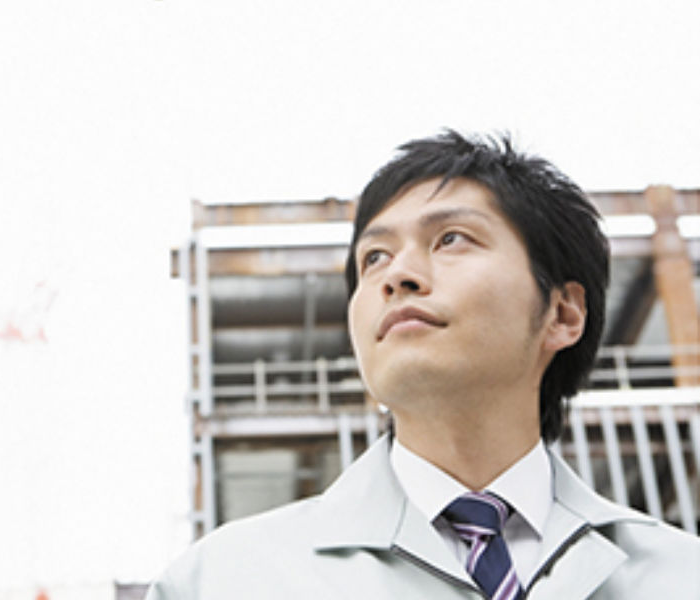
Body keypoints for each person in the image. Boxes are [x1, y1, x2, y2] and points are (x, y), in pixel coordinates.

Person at [146, 130, 700, 599]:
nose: (397, 276)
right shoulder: (220, 583)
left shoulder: (681, 577)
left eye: (451, 239)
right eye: (374, 257)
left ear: (562, 312)